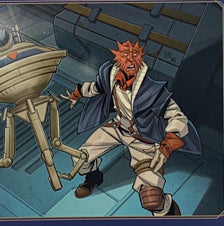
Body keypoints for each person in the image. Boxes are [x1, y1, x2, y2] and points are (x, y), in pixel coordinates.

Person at [66, 40, 201, 216]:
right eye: (125, 55)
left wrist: (167, 145)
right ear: (118, 59)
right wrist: (76, 93)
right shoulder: (110, 76)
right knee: (80, 157)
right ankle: (93, 178)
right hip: (116, 128)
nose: (130, 60)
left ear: (140, 60)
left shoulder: (152, 91)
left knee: (151, 196)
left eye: (135, 56)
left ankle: (167, 214)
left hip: (142, 139)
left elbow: (177, 116)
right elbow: (95, 88)